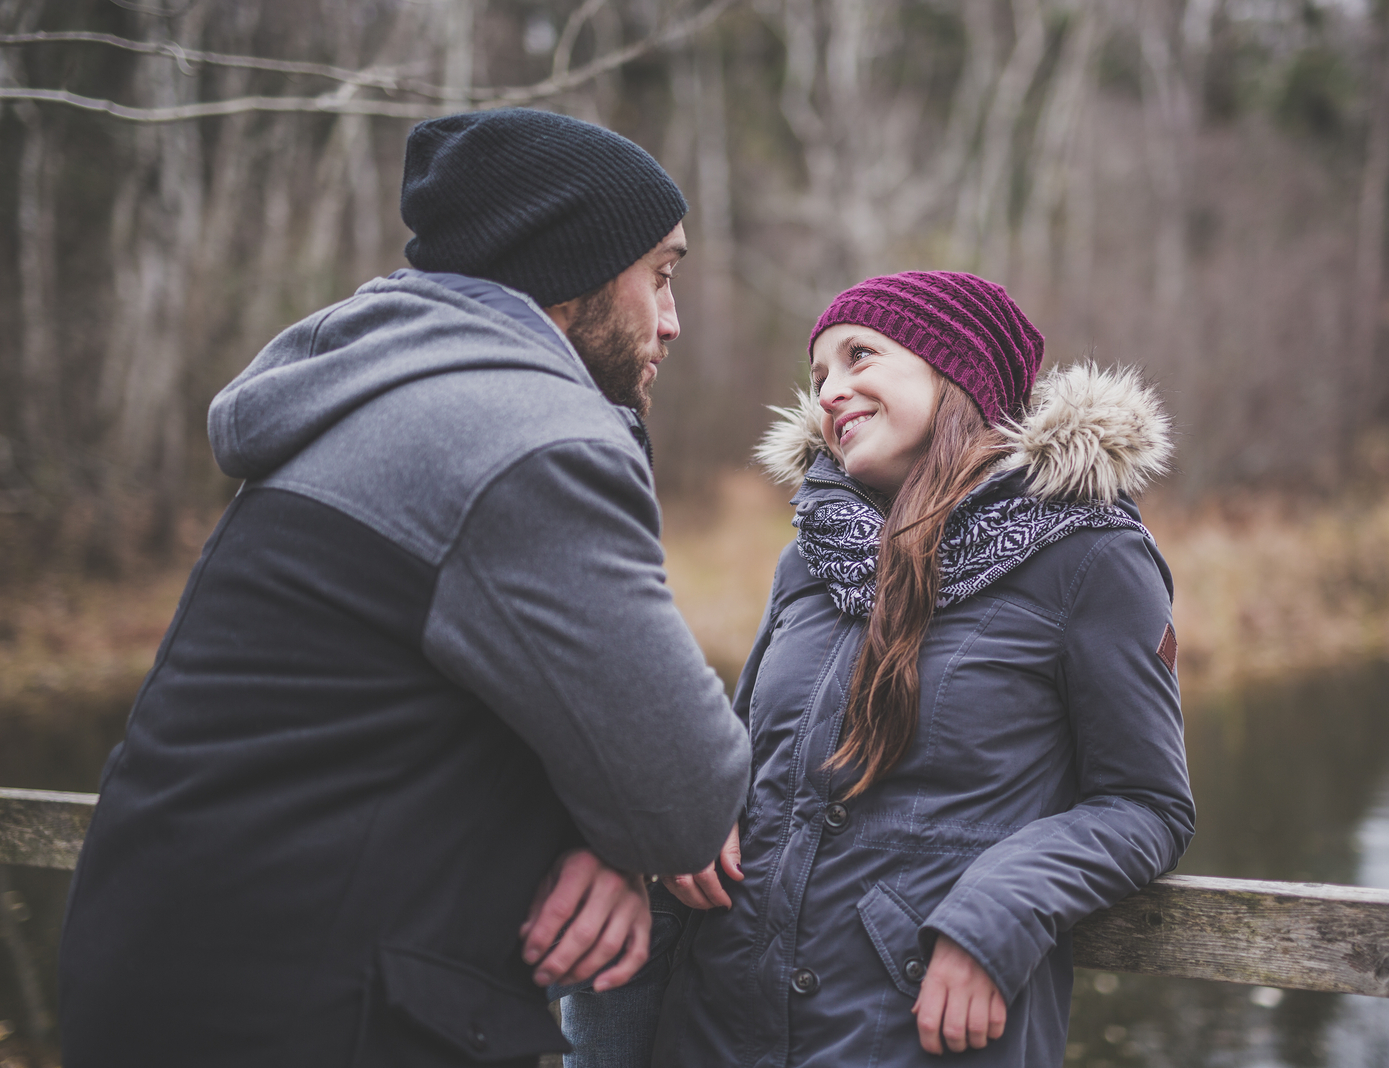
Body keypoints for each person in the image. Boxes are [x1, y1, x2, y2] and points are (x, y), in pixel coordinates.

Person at [57, 109, 750, 1068]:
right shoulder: (525, 436)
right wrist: (629, 826)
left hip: (163, 973)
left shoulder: (375, 388)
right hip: (320, 1014)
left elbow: (403, 712)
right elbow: (685, 790)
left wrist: (602, 833)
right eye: (660, 277)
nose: (671, 321)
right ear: (572, 269)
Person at [651, 271, 1194, 1066]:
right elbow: (746, 754)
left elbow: (1147, 806)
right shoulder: (810, 554)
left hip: (910, 1033)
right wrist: (697, 807)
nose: (832, 390)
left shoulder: (1091, 557)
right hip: (719, 1027)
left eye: (859, 356)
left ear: (956, 371)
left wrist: (1000, 911)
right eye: (820, 375)